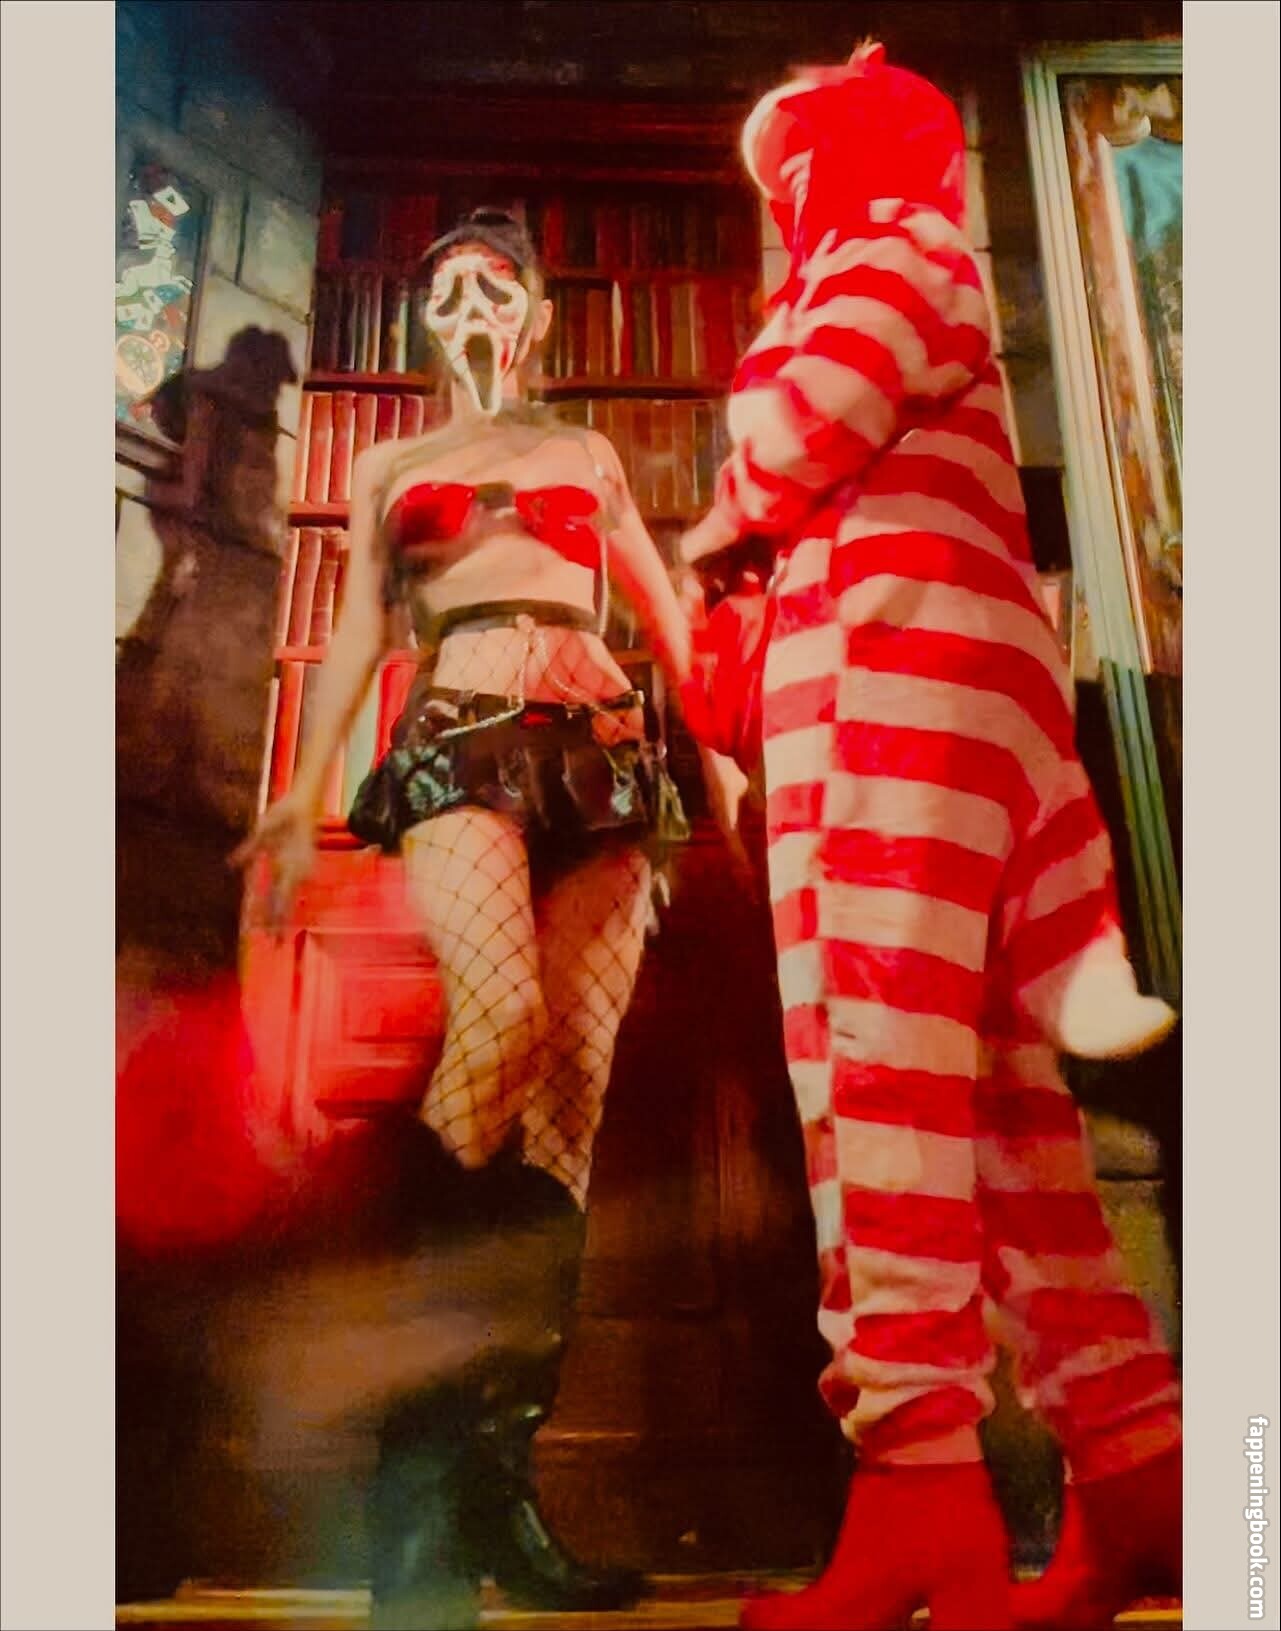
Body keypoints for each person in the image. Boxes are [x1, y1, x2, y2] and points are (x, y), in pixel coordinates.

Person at [678, 46, 1182, 1631]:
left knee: (873, 1077)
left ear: (824, 165)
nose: (777, 210)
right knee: (996, 1111)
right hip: (963, 694)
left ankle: (917, 1491)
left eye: (785, 175)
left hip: (884, 690)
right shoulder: (936, 269)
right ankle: (1144, 1473)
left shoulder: (883, 257)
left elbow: (786, 439)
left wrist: (718, 508)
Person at [237, 206, 693, 1623]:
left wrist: (722, 759)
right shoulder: (388, 464)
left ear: (537, 313)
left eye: (494, 286)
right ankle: (419, 1500)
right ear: (424, 320)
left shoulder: (585, 454)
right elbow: (361, 636)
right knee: (496, 1025)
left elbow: (662, 610)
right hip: (459, 733)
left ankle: (501, 1489)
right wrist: (300, 791)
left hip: (602, 744)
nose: (467, 308)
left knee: (566, 1106)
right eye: (443, 291)